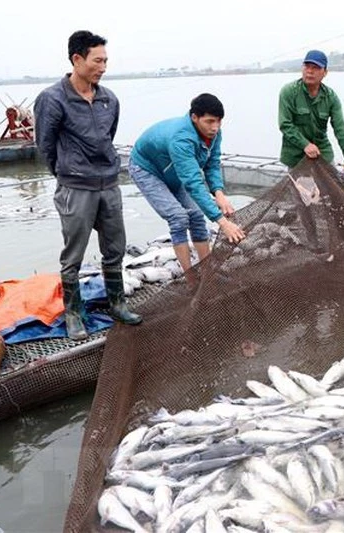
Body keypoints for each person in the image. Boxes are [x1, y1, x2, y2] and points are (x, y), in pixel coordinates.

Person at [34, 30, 141, 341]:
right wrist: (67, 174)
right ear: (76, 59)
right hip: (75, 187)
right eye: (97, 60)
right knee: (74, 253)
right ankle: (73, 312)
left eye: (106, 60)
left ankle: (117, 303)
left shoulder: (109, 99)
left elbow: (108, 137)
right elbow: (45, 145)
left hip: (109, 184)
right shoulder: (52, 99)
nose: (103, 66)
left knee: (115, 248)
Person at [128, 94, 246, 275]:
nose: (215, 127)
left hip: (173, 170)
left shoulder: (213, 133)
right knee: (178, 217)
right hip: (147, 170)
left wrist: (219, 193)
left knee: (197, 216)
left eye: (219, 122)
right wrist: (222, 223)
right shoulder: (181, 139)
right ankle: (189, 279)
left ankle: (207, 272)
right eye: (210, 121)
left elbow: (212, 163)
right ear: (194, 118)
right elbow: (193, 183)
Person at [278, 50, 344, 184]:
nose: (310, 71)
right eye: (307, 66)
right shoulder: (289, 92)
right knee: (303, 199)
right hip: (296, 156)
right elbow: (285, 124)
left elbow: (340, 128)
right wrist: (305, 144)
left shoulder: (330, 97)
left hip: (322, 153)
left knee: (333, 192)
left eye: (315, 68)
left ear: (325, 72)